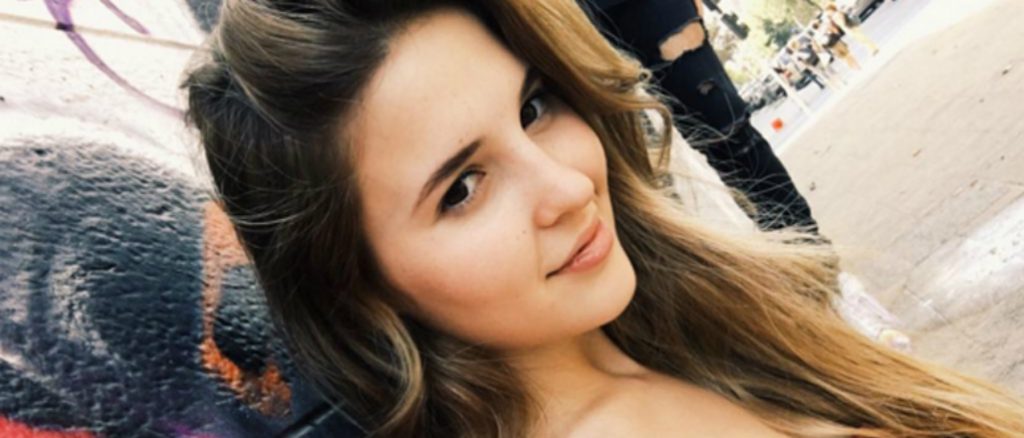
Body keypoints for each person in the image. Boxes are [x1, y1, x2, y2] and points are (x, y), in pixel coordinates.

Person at [183, 0, 1024, 436]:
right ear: (360, 282)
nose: (566, 187)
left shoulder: (693, 318)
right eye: (462, 189)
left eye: (535, 107)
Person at [586, 0, 819, 233]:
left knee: (728, 135)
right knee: (637, 183)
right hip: (574, 27)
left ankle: (804, 242)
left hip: (650, 11)